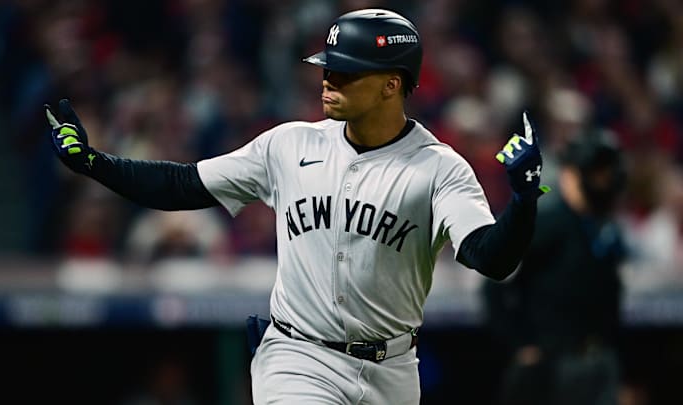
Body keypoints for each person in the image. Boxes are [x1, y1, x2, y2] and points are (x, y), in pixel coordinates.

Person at [45, 9, 548, 404]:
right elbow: (183, 185)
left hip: (392, 372)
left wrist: (524, 201)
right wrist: (95, 163)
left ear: (392, 85)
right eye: (327, 69)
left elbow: (490, 257)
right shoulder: (288, 145)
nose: (328, 80)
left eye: (346, 73)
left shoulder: (440, 168)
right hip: (297, 355)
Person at [483, 129, 627, 405]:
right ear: (571, 175)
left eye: (607, 173)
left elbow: (612, 299)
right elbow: (494, 280)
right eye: (597, 173)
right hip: (551, 368)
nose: (604, 181)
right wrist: (520, 344)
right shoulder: (543, 225)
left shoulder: (606, 228)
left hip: (600, 363)